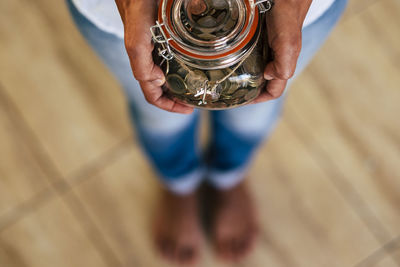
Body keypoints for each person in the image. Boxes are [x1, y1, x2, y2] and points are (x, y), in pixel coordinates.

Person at [66, 0, 347, 264]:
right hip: (127, 13)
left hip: (293, 10)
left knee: (253, 114)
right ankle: (179, 183)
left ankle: (229, 175)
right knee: (161, 119)